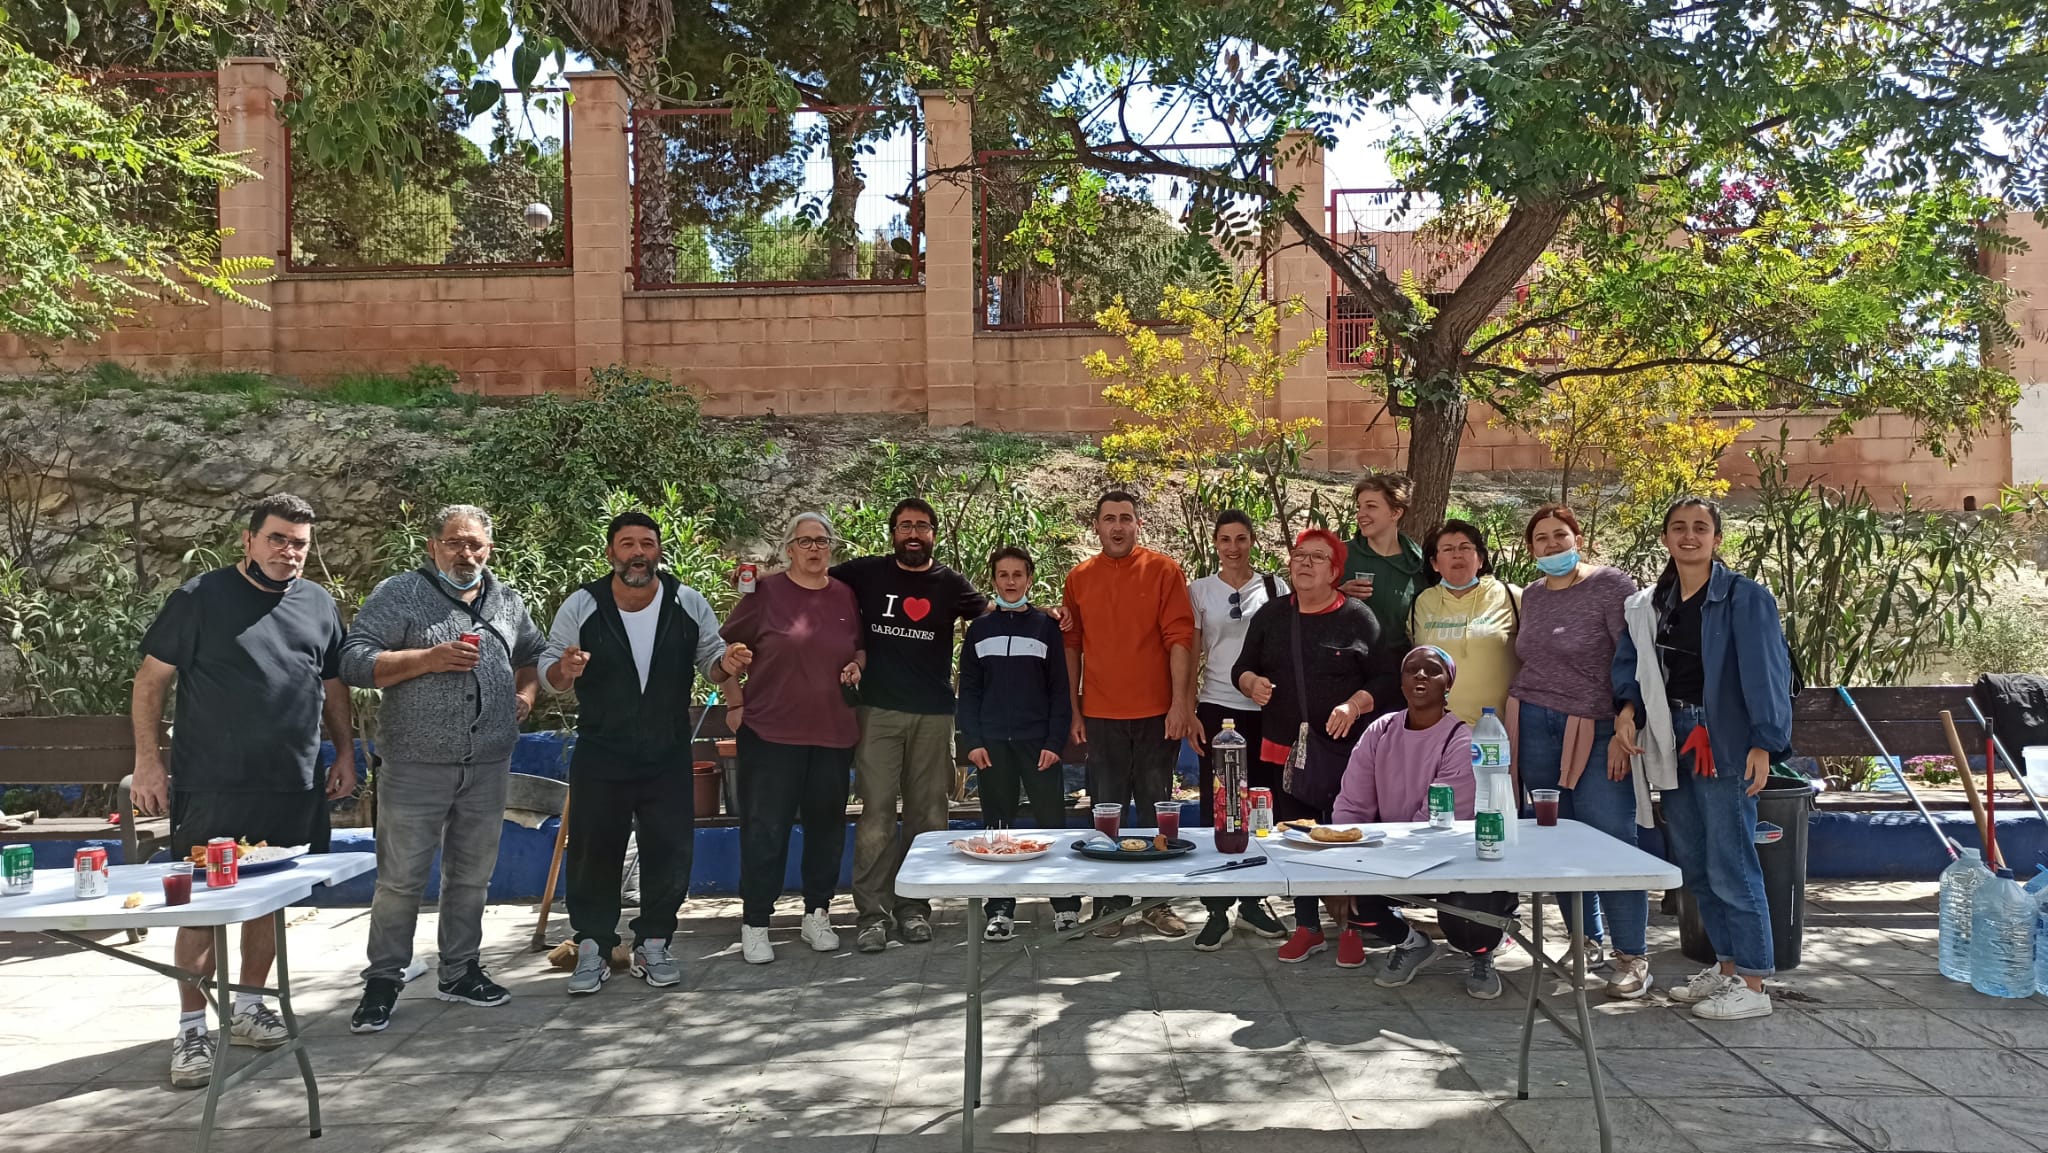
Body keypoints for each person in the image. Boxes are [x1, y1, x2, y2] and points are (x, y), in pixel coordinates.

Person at [129, 493, 355, 1089]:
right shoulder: (199, 598)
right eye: (278, 539)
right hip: (213, 783)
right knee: (203, 906)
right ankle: (189, 1031)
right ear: (249, 541)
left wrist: (347, 753)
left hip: (291, 783)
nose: (289, 552)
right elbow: (151, 680)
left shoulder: (318, 603)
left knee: (269, 900)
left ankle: (250, 1005)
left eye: (300, 543)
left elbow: (333, 686)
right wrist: (148, 763)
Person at [340, 504, 546, 1031]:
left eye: (475, 544)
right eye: (454, 543)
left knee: (471, 878)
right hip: (414, 763)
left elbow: (533, 655)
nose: (466, 553)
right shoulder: (400, 594)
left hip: (488, 763)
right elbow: (354, 660)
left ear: (489, 549)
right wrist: (427, 659)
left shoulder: (506, 600)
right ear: (433, 547)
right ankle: (384, 980)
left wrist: (525, 693)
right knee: (401, 880)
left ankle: (459, 971)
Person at [538, 510, 748, 994]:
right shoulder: (582, 605)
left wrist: (727, 663)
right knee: (594, 850)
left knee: (669, 849)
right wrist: (567, 669)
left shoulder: (686, 602)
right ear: (611, 552)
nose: (637, 553)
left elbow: (711, 663)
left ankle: (654, 942)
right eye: (627, 544)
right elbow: (551, 671)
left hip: (667, 751)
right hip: (602, 750)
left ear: (658, 551)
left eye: (647, 544)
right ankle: (592, 944)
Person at [1612, 497, 1793, 1021]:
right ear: (1666, 538)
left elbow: (1767, 674)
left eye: (1700, 528)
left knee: (1731, 861)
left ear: (1717, 538)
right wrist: (1626, 709)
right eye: (1678, 528)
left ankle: (1755, 985)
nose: (1688, 536)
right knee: (1695, 863)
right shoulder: (1653, 604)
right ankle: (1727, 966)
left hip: (1725, 741)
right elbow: (1633, 663)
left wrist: (1764, 742)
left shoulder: (1744, 598)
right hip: (1672, 736)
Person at [1504, 505, 1650, 997]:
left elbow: (1636, 657)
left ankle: (1631, 955)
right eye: (1541, 539)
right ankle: (1583, 942)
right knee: (1558, 840)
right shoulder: (1534, 597)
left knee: (1611, 839)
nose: (1551, 545)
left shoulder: (1611, 586)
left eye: (1559, 536)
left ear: (1578, 538)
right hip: (1534, 725)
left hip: (1597, 729)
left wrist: (1628, 716)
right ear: (1531, 549)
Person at [1232, 527, 1394, 965]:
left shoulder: (1358, 617)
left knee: (1345, 840)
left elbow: (1385, 677)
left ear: (1335, 571)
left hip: (1344, 752)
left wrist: (1354, 705)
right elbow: (1241, 667)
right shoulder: (1271, 615)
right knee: (1297, 839)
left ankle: (1354, 930)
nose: (1304, 563)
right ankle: (1308, 926)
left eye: (1316, 557)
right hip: (1285, 750)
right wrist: (1251, 683)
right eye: (1299, 555)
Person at [835, 498, 988, 953]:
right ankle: (872, 916)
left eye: (922, 526)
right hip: (878, 712)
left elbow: (995, 614)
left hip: (935, 714)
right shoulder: (864, 573)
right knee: (877, 815)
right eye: (905, 526)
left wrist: (1050, 617)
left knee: (928, 815)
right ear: (893, 533)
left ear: (934, 534)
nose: (914, 533)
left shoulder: (950, 583)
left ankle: (915, 909)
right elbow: (811, 584)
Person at [1333, 646, 1518, 999]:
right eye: (1411, 669)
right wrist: (1342, 867)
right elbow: (1352, 805)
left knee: (1465, 922)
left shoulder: (1461, 739)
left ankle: (1482, 954)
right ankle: (1411, 943)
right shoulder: (1380, 731)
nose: (1420, 675)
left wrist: (1385, 861)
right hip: (1394, 856)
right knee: (1344, 896)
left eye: (1431, 671)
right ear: (1400, 682)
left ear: (1448, 684)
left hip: (1448, 857)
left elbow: (1435, 824)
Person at [721, 511, 864, 964]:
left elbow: (858, 645)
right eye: (805, 542)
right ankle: (756, 922)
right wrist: (734, 703)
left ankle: (816, 914)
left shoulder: (844, 595)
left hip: (832, 732)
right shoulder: (764, 593)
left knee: (826, 829)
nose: (815, 549)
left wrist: (859, 664)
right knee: (766, 830)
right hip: (770, 732)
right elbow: (723, 651)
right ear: (788, 549)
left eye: (822, 541)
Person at [1061, 490, 1199, 938]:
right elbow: (1072, 645)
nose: (1117, 526)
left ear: (1138, 524)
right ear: (1096, 527)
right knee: (1106, 811)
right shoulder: (1079, 577)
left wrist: (1180, 703)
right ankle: (1111, 901)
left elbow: (1180, 638)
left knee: (1158, 809)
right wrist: (1074, 708)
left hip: (1158, 714)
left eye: (1125, 518)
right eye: (1108, 519)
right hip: (1101, 714)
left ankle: (1157, 902)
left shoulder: (1163, 571)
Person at [957, 546, 1077, 939]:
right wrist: (972, 741)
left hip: (1038, 744)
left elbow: (1061, 690)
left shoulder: (1045, 627)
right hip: (993, 747)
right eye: (1003, 575)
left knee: (1051, 826)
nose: (1010, 582)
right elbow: (969, 690)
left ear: (1029, 578)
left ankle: (1064, 905)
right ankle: (1001, 909)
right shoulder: (979, 629)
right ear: (993, 580)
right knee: (998, 829)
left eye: (1018, 575)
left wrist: (1054, 742)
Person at [1186, 510, 1291, 949]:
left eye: (1241, 538)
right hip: (1215, 707)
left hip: (1265, 709)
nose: (1234, 547)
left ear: (1252, 542)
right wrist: (1188, 707)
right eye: (1225, 539)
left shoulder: (1274, 587)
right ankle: (1217, 908)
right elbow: (1192, 651)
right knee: (1220, 805)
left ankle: (1252, 901)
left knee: (1260, 805)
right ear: (1215, 544)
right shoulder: (1199, 591)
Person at [1409, 519, 1520, 724]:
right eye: (1448, 549)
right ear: (1434, 563)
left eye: (1465, 547)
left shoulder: (1510, 596)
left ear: (1480, 559)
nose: (1457, 554)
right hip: (1437, 731)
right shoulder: (1421, 602)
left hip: (1493, 733)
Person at [1338, 473, 1425, 654]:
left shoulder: (1418, 563)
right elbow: (1306, 605)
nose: (1361, 514)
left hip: (1398, 668)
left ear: (1395, 512)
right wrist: (1338, 595)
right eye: (1359, 507)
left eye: (1371, 506)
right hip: (1348, 665)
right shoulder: (1340, 555)